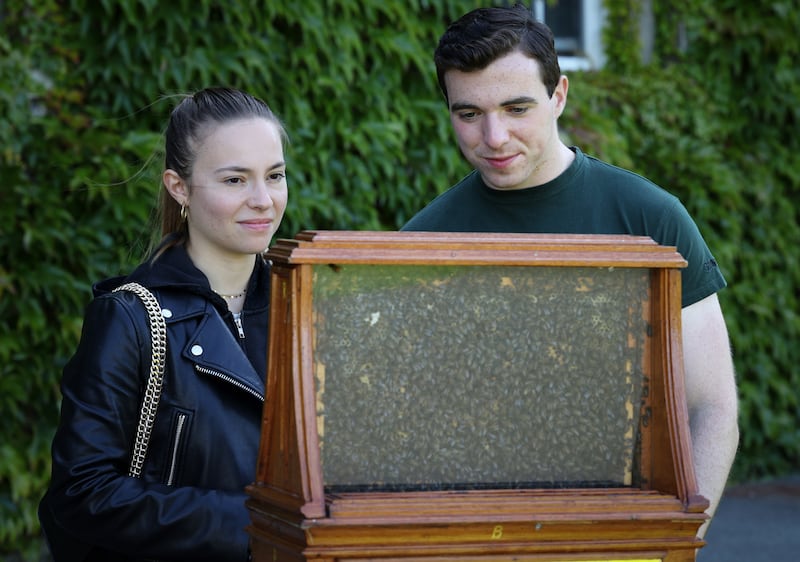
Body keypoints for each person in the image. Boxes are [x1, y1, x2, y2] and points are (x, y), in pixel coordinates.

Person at [402, 5, 739, 537]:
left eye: (517, 108)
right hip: (472, 535)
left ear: (558, 95)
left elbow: (712, 408)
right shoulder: (419, 242)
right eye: (468, 114)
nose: (493, 136)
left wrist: (676, 540)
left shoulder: (650, 219)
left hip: (625, 533)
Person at [38, 87, 289, 561]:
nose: (263, 200)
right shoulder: (130, 320)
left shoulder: (302, 308)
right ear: (179, 187)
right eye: (235, 180)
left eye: (274, 176)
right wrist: (258, 524)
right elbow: (81, 493)